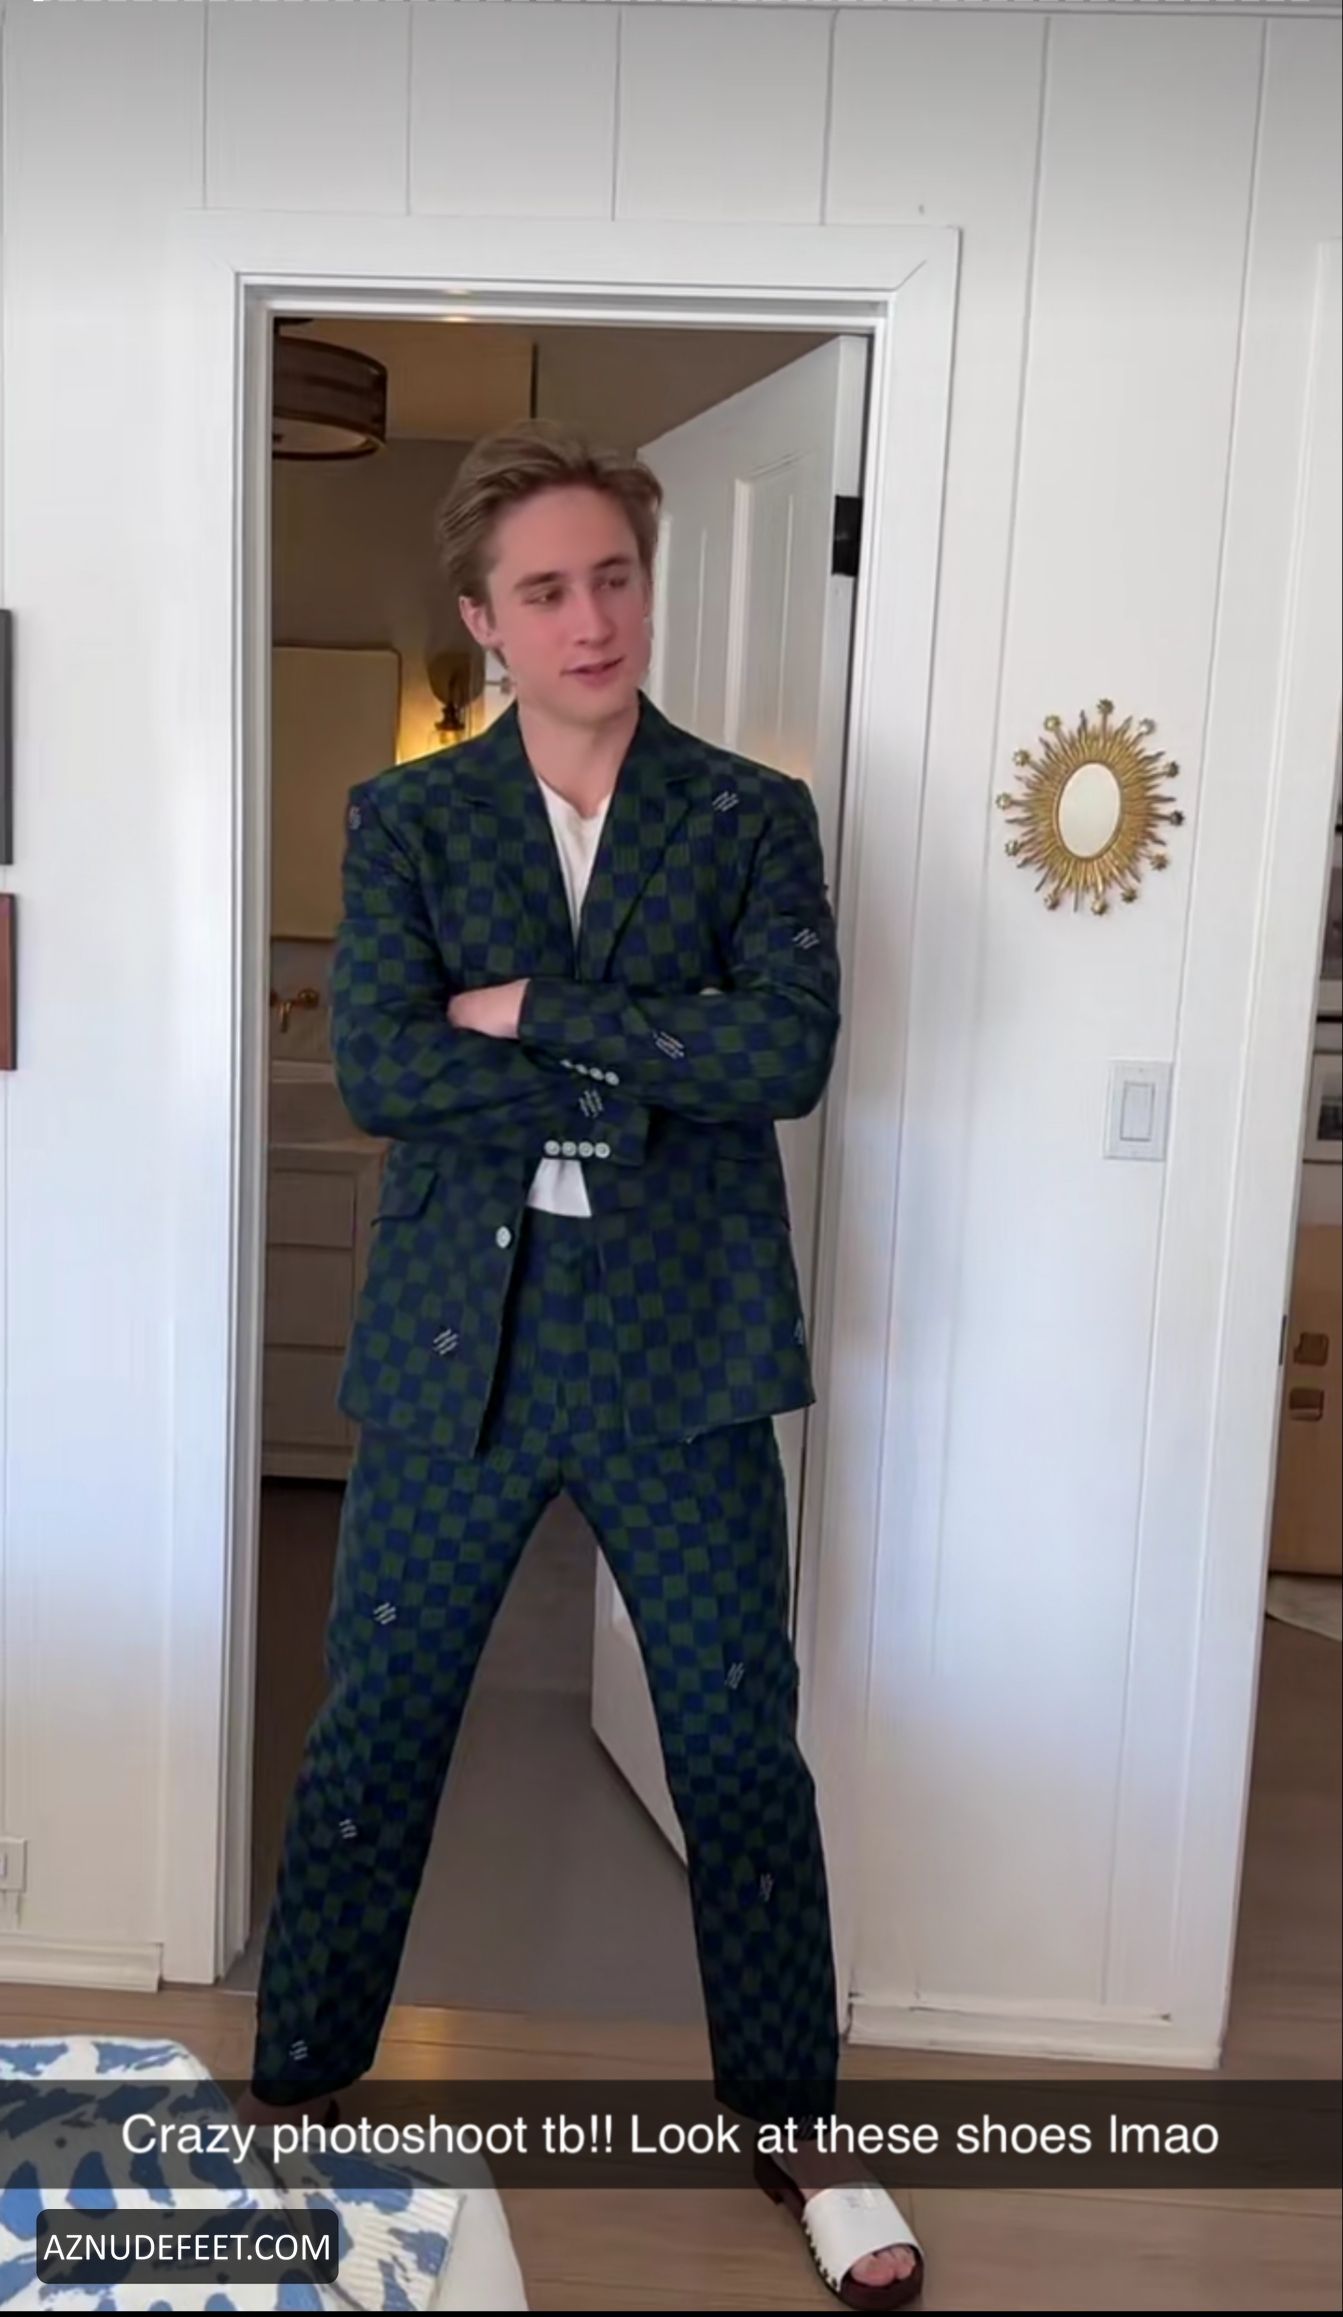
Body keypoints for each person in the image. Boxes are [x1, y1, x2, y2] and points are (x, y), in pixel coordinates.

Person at [237, 422, 924, 2310]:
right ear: (486, 618)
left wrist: (537, 1011)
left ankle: (797, 2126)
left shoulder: (749, 814)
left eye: (612, 575)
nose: (590, 616)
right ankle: (298, 2095)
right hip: (457, 1349)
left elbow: (784, 1055)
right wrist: (637, 1080)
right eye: (544, 589)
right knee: (376, 1729)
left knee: (736, 1744)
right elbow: (383, 1066)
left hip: (684, 1351)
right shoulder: (409, 819)